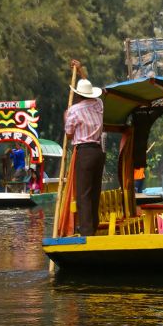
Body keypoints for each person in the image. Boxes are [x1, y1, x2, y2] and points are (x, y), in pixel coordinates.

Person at [63, 60, 104, 236]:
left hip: (85, 152)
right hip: (98, 152)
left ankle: (87, 232)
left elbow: (69, 134)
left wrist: (66, 117)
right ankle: (92, 226)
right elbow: (89, 90)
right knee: (94, 191)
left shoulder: (74, 110)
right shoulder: (99, 104)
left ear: (78, 95)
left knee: (83, 194)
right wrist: (80, 71)